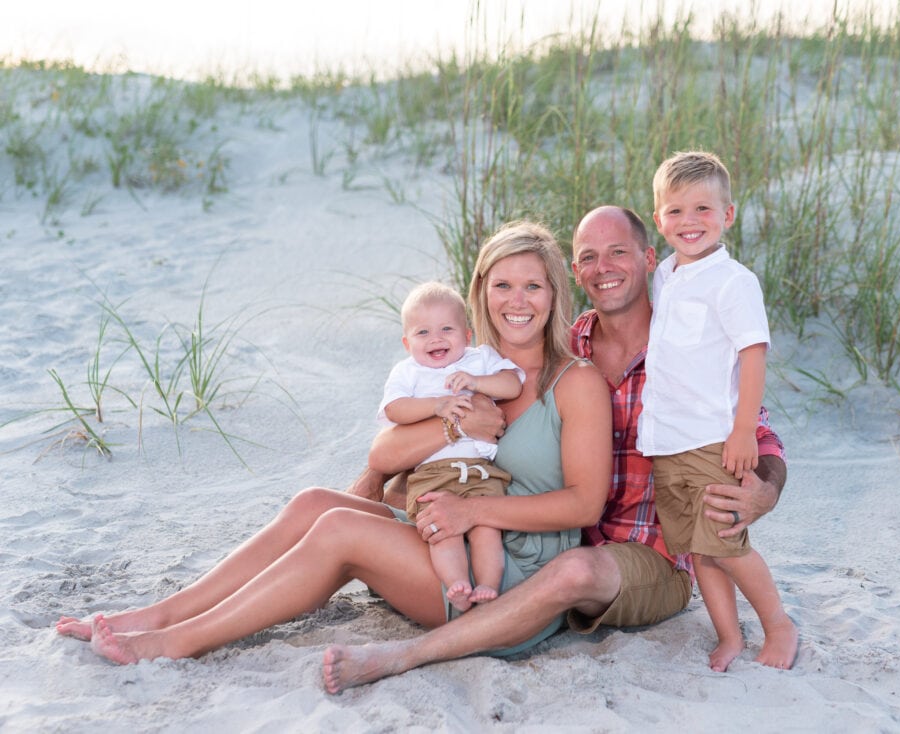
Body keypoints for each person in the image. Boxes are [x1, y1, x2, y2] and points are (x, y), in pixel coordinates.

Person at [55, 220, 612, 666]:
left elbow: (585, 504)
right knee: (314, 503)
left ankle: (177, 641)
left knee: (339, 529)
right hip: (448, 536)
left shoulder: (575, 382)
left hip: (510, 579)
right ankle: (157, 615)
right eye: (502, 285)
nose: (517, 300)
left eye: (533, 285)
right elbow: (383, 456)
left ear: (553, 293)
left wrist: (472, 512)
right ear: (480, 293)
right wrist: (457, 425)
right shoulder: (457, 368)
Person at [321, 204, 790, 693]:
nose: (603, 268)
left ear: (650, 259)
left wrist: (766, 491)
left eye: (618, 253)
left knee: (575, 569)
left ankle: (405, 656)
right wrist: (375, 477)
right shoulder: (566, 344)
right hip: (551, 536)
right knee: (351, 505)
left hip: (647, 552)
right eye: (589, 257)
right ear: (574, 272)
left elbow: (757, 430)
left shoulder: (687, 344)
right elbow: (448, 424)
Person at [641, 150, 797, 671]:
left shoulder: (734, 282)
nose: (690, 223)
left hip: (713, 440)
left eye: (704, 209)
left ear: (728, 215)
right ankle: (728, 636)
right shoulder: (664, 277)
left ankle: (779, 626)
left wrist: (742, 431)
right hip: (667, 444)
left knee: (729, 545)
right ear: (659, 218)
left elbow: (752, 354)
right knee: (700, 552)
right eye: (676, 211)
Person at [382, 281, 524, 611]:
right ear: (407, 342)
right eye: (422, 333)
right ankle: (457, 583)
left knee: (487, 527)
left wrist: (476, 383)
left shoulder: (479, 359)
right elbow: (394, 409)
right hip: (432, 473)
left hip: (479, 470)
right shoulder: (408, 372)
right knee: (441, 531)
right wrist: (436, 406)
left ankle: (488, 586)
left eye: (447, 328)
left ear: (468, 334)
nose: (436, 339)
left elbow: (512, 384)